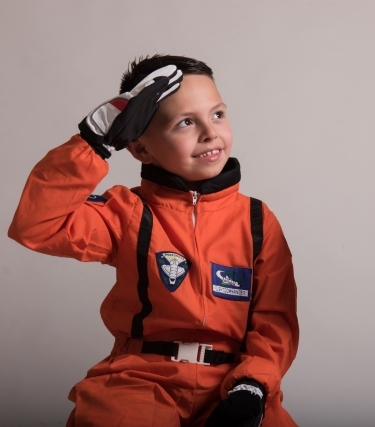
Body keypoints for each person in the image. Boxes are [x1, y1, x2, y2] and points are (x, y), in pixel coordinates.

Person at [8, 55, 299, 427]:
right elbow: (36, 225)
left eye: (217, 114)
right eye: (185, 122)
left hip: (233, 383)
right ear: (141, 148)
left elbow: (276, 320)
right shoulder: (128, 212)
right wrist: (93, 140)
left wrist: (252, 386)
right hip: (140, 379)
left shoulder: (258, 220)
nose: (209, 133)